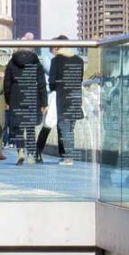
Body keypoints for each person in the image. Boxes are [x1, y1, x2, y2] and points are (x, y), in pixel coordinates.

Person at [4, 33, 47, 165]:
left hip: (16, 95)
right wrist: (44, 102)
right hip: (31, 94)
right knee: (30, 127)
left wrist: (8, 100)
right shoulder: (36, 62)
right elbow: (41, 83)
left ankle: (20, 151)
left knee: (18, 127)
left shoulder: (12, 63)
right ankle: (31, 155)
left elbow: (7, 83)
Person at [47, 35, 85, 165]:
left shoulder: (56, 60)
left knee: (64, 127)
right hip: (75, 96)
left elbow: (51, 81)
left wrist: (55, 88)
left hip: (63, 97)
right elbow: (80, 79)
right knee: (70, 128)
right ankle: (67, 155)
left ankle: (68, 157)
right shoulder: (79, 60)